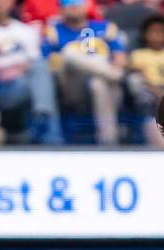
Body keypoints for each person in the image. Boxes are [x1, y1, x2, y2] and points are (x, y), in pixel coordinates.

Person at [0, 0, 61, 146]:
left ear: (12, 3)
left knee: (38, 73)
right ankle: (47, 129)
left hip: (22, 82)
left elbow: (34, 62)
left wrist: (15, 69)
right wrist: (15, 67)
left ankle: (42, 118)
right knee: (37, 83)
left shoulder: (26, 31)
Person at [43, 0, 127, 145]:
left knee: (98, 84)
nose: (74, 6)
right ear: (60, 9)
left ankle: (108, 140)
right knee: (69, 53)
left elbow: (120, 58)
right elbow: (49, 64)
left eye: (77, 2)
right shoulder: (54, 31)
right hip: (72, 88)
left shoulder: (105, 27)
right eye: (68, 3)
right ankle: (112, 74)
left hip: (106, 88)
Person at [127, 13, 164, 145]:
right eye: (153, 31)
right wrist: (158, 92)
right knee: (144, 100)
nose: (157, 35)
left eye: (161, 32)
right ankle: (155, 142)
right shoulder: (139, 54)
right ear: (144, 34)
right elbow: (141, 77)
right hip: (149, 89)